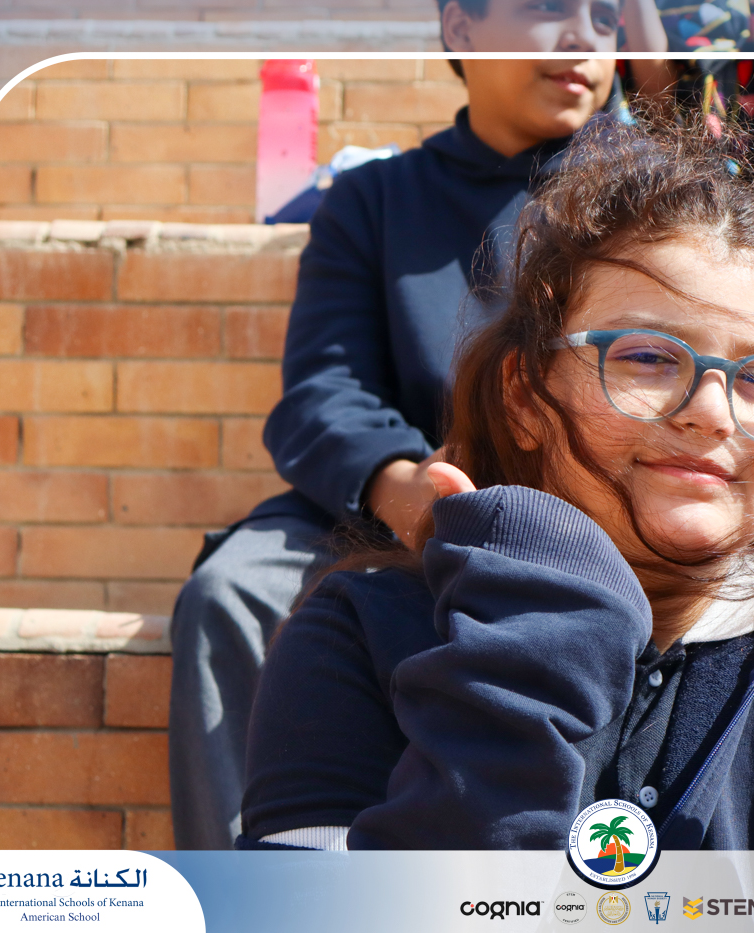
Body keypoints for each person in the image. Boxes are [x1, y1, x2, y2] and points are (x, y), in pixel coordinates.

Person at [238, 119, 754, 853]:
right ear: (524, 395)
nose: (710, 413)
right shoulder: (365, 631)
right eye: (649, 358)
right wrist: (534, 633)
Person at [168, 50, 631, 849]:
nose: (579, 39)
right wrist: (400, 487)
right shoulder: (376, 198)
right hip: (393, 489)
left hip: (586, 499)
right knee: (229, 593)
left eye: (603, 15)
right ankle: (251, 889)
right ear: (461, 25)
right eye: (548, 4)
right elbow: (323, 388)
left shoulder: (636, 196)